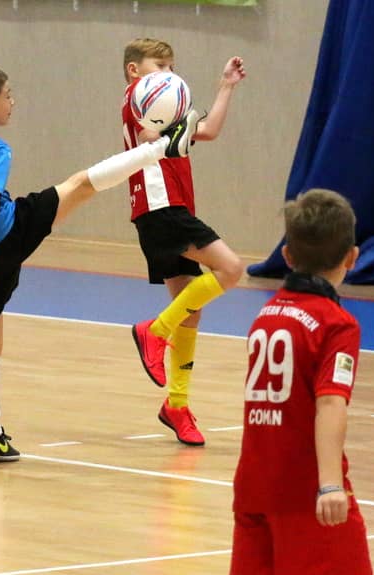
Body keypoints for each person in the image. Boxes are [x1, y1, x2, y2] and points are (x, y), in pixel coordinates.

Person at [0, 63, 199, 463]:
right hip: (7, 234)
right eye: (7, 96)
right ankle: (160, 148)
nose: (12, 102)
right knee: (81, 185)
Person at [230, 189, 373, 574]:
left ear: (287, 256)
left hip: (252, 486)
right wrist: (330, 484)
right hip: (304, 490)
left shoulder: (267, 315)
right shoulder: (336, 324)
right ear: (352, 257)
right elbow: (330, 402)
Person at [121, 38, 247, 447]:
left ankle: (176, 404)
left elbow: (207, 130)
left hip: (169, 207)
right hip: (160, 206)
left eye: (172, 67)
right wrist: (170, 120)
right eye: (160, 66)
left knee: (190, 309)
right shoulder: (139, 98)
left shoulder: (165, 105)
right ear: (135, 71)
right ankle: (155, 331)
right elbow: (148, 133)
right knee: (231, 269)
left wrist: (225, 86)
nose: (169, 74)